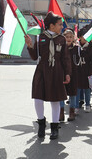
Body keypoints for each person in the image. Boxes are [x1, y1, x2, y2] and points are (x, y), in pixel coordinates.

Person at [25, 12, 71, 140]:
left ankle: (54, 127)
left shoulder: (61, 39)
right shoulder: (40, 38)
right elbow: (34, 56)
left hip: (57, 71)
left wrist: (67, 73)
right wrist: (29, 45)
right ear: (52, 26)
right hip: (42, 70)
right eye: (60, 24)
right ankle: (41, 122)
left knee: (55, 100)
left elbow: (65, 58)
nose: (62, 27)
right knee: (38, 98)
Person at [62, 28, 79, 122]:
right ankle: (60, 113)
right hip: (62, 74)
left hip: (74, 74)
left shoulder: (77, 49)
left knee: (72, 94)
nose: (68, 38)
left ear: (73, 38)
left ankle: (72, 113)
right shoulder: (60, 48)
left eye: (70, 37)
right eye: (66, 37)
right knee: (61, 94)